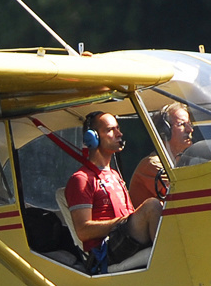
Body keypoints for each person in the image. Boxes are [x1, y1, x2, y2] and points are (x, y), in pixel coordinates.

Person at [65, 111, 164, 270]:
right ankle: (166, 265)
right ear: (93, 138)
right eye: (111, 130)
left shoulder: (114, 175)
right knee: (152, 206)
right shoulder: (81, 179)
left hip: (125, 239)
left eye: (118, 128)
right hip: (105, 250)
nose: (120, 133)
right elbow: (83, 231)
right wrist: (123, 222)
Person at [128, 102, 193, 205]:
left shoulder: (182, 161)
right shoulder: (152, 164)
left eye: (190, 124)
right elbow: (181, 194)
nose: (190, 129)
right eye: (181, 124)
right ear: (165, 131)